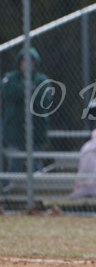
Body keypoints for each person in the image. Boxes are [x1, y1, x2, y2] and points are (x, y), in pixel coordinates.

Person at [1, 47, 52, 178]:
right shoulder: (10, 78)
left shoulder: (42, 80)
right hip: (14, 131)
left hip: (36, 132)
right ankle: (12, 196)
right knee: (14, 165)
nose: (28, 64)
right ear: (20, 62)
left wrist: (25, 91)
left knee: (35, 166)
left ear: (35, 63)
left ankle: (35, 196)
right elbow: (8, 92)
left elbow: (45, 99)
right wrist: (31, 89)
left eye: (31, 61)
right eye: (24, 61)